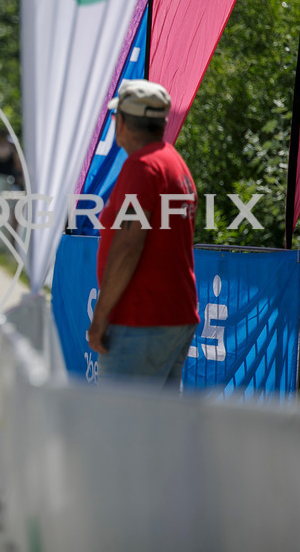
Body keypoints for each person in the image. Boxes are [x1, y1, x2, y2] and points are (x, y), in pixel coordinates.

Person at [86, 80, 199, 387]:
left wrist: (101, 315)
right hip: (174, 314)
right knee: (156, 431)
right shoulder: (173, 161)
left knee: (120, 430)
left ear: (120, 121)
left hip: (141, 317)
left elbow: (127, 247)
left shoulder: (142, 167)